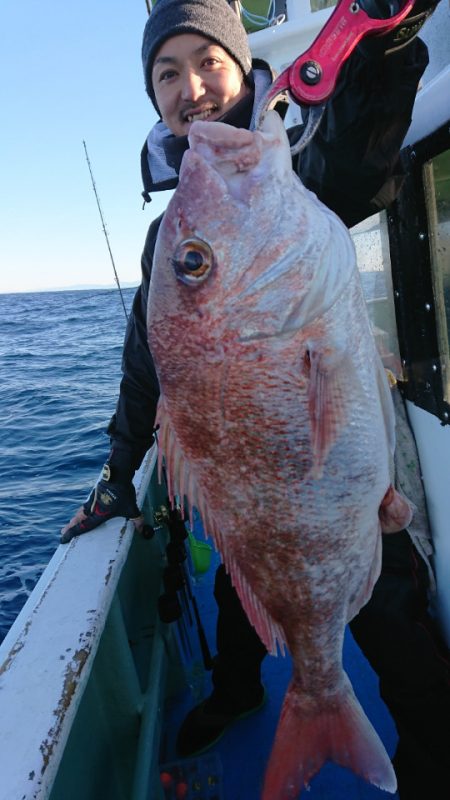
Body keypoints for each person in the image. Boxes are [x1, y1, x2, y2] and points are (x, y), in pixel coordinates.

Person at [61, 0, 450, 796]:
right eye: (167, 74)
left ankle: (433, 763)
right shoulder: (175, 234)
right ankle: (244, 691)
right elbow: (146, 367)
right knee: (240, 587)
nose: (191, 87)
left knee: (398, 630)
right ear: (154, 96)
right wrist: (117, 472)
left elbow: (361, 154)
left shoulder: (296, 165)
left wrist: (387, 41)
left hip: (347, 484)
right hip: (253, 496)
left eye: (208, 61)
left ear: (242, 68)